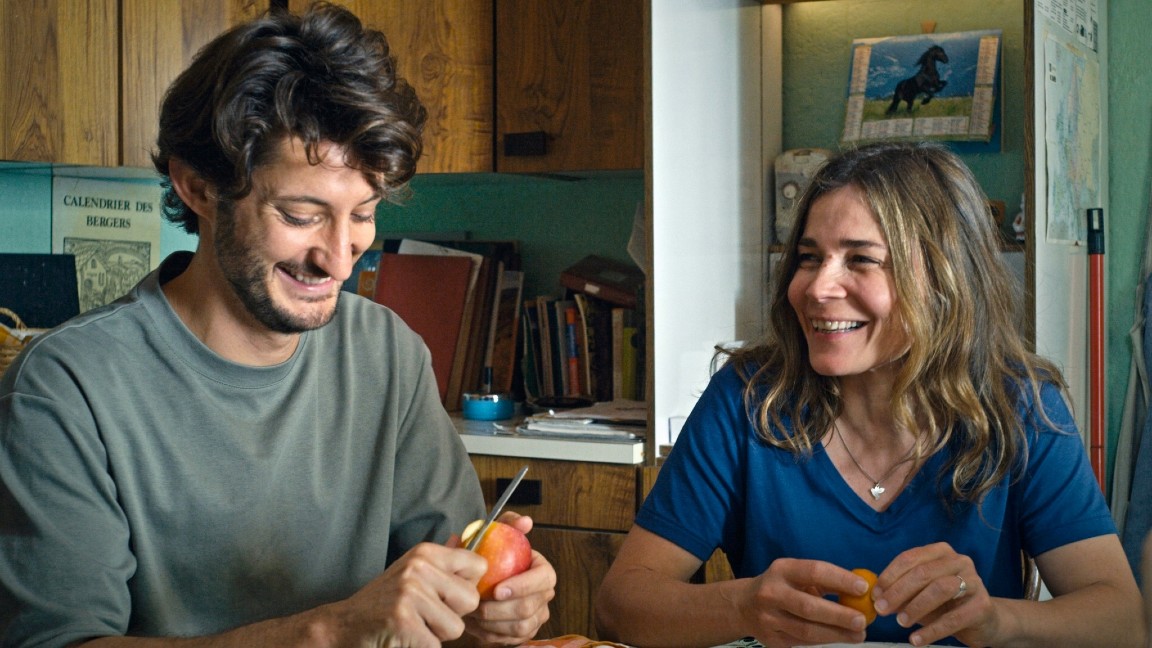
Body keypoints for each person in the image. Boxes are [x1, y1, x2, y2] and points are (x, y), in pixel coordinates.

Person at [0, 3, 555, 646]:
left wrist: (493, 609)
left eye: (365, 213)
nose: (339, 256)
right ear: (200, 187)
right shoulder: (68, 387)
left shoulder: (388, 354)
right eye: (300, 214)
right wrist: (330, 631)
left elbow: (442, 607)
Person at [594, 141, 1145, 647]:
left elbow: (1123, 622)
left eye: (860, 259)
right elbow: (620, 605)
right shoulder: (746, 399)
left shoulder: (1022, 408)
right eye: (809, 257)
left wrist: (998, 620)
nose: (816, 287)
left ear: (943, 279)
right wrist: (742, 605)